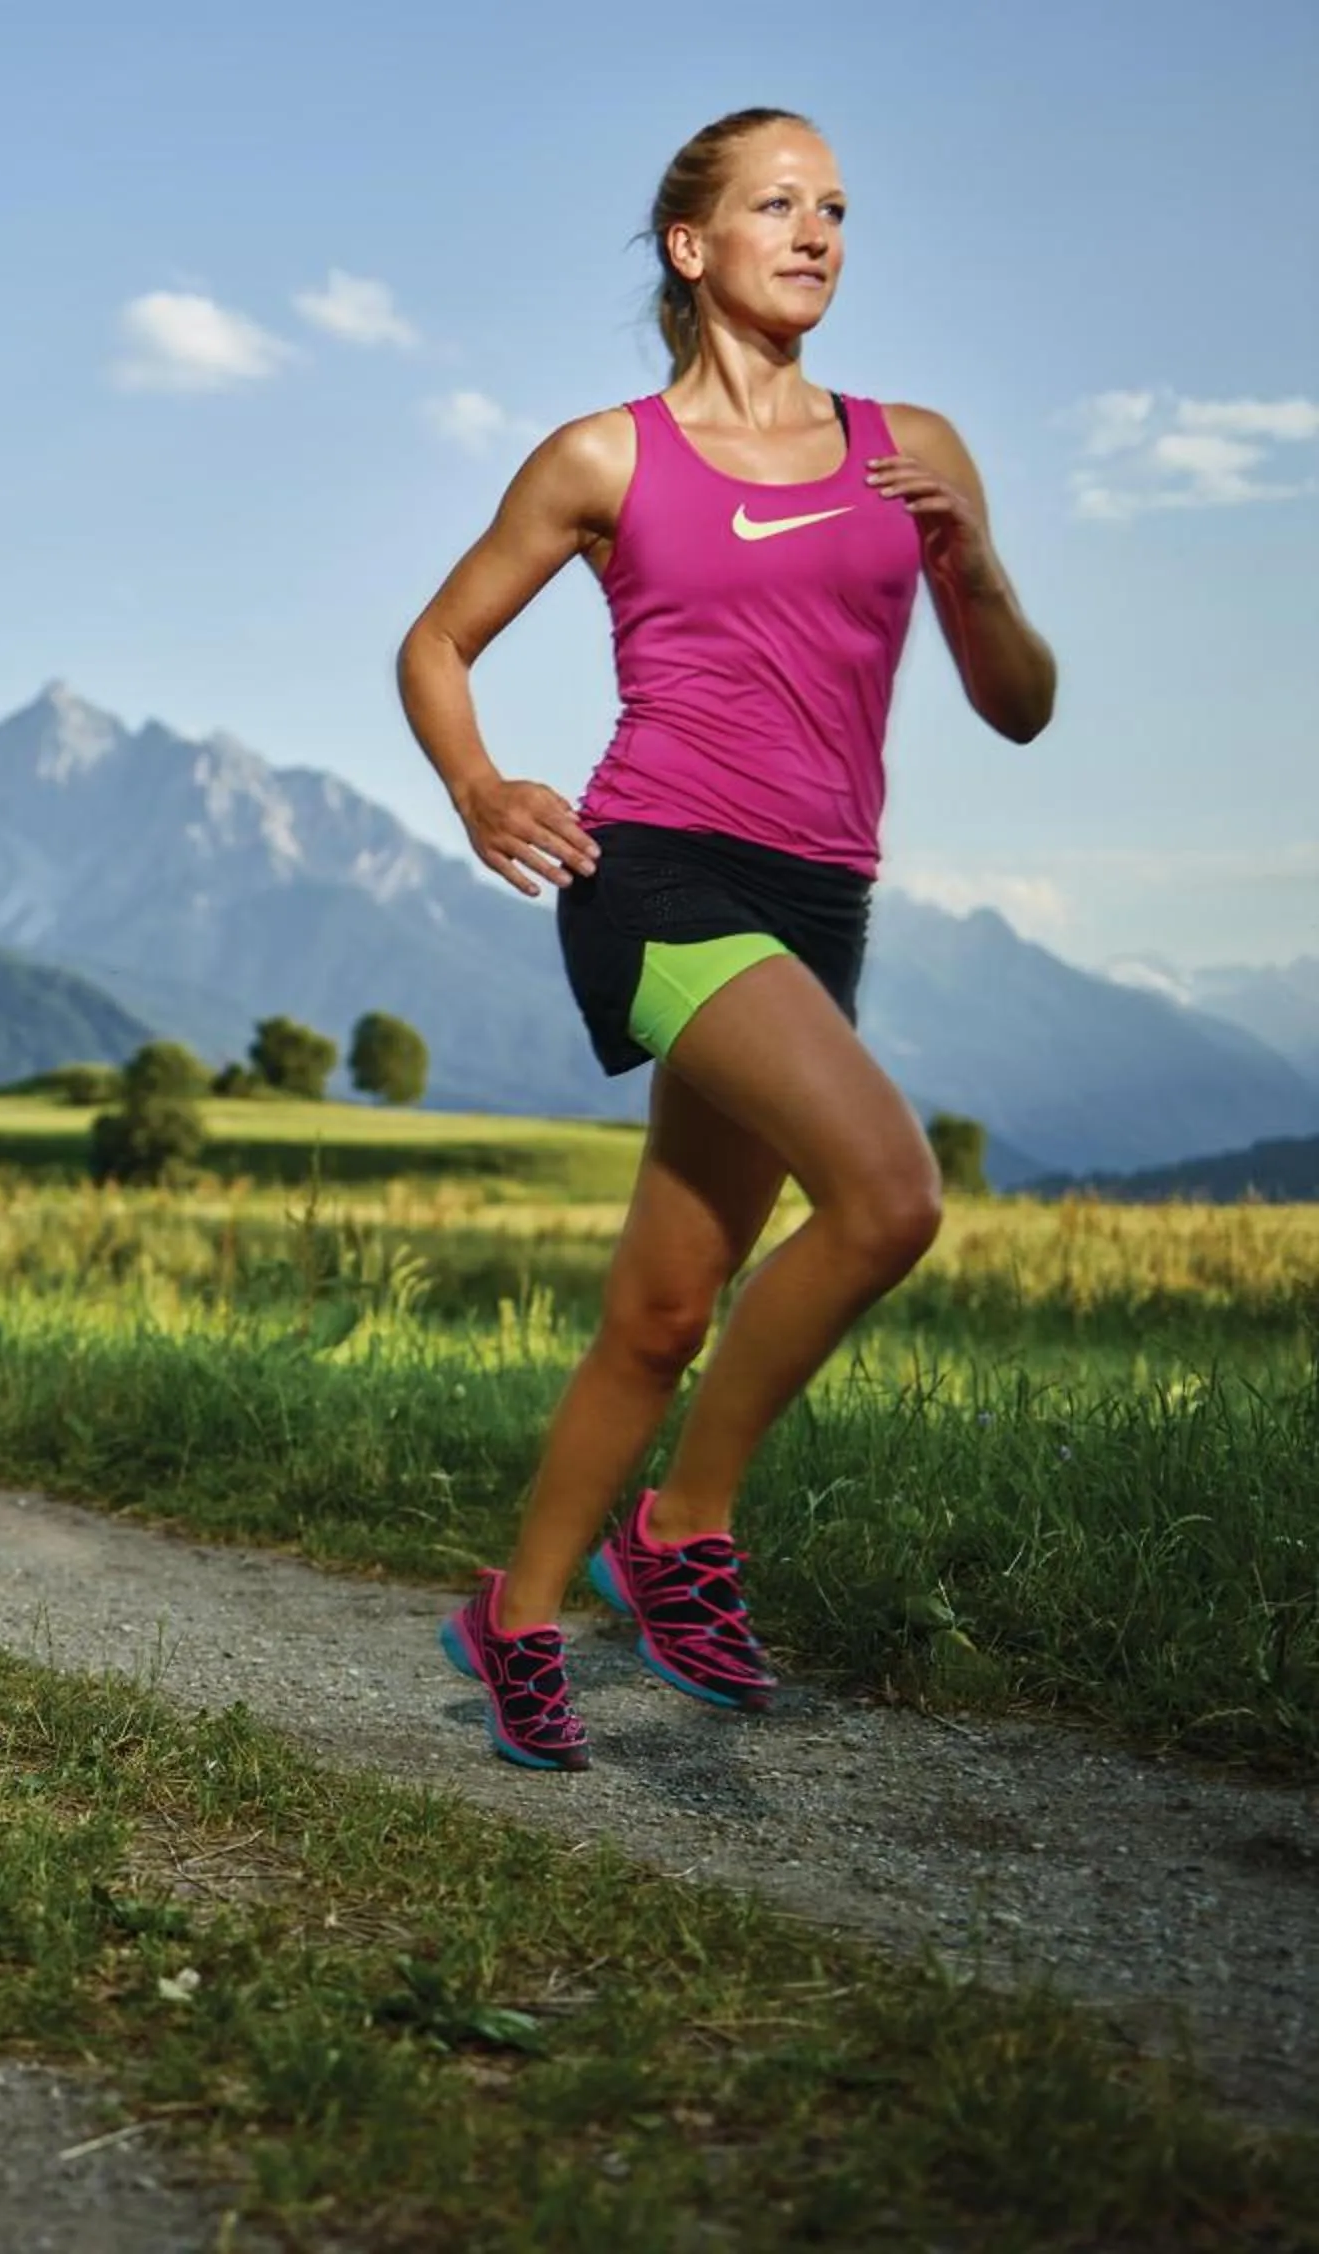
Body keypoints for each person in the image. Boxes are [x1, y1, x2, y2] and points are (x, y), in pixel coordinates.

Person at [395, 108, 1056, 1770]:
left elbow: (1024, 707)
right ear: (694, 247)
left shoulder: (913, 446)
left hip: (823, 899)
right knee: (890, 1193)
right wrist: (480, 785)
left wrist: (970, 563)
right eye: (778, 204)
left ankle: (518, 1610)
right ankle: (681, 1528)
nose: (820, 230)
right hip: (664, 879)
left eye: (836, 207)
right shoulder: (604, 457)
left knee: (663, 1308)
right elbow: (437, 640)